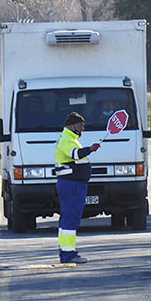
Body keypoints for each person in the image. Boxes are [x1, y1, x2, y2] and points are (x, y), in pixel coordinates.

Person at [54, 111, 100, 263]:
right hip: (71, 185)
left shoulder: (71, 138)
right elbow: (75, 154)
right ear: (72, 125)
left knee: (68, 218)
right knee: (71, 218)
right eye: (81, 125)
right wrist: (90, 149)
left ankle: (66, 251)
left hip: (73, 184)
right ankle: (68, 255)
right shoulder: (66, 139)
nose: (83, 129)